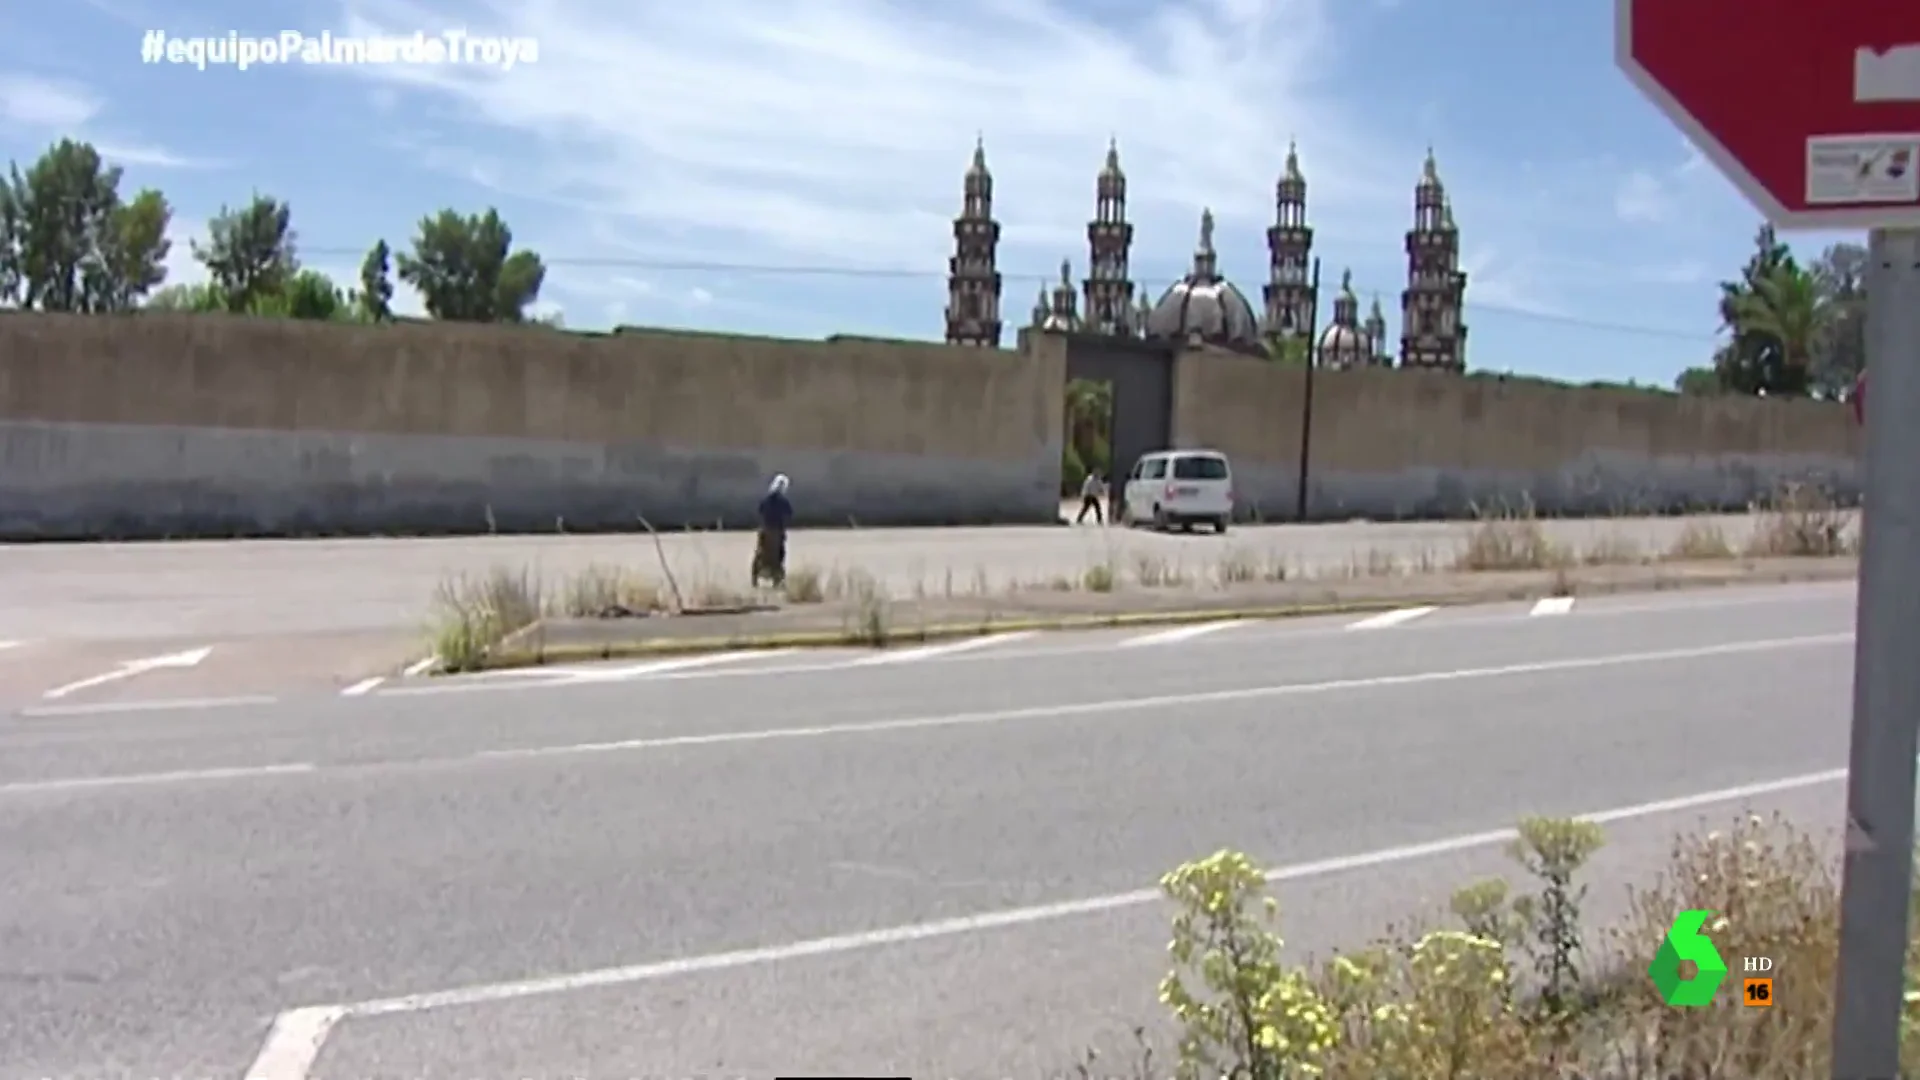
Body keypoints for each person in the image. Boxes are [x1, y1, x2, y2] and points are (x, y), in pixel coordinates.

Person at [753, 474, 793, 587]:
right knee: (779, 555)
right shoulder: (783, 502)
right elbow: (788, 515)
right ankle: (777, 579)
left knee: (761, 553)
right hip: (777, 532)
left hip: (765, 530)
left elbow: (760, 512)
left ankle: (755, 577)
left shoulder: (766, 500)